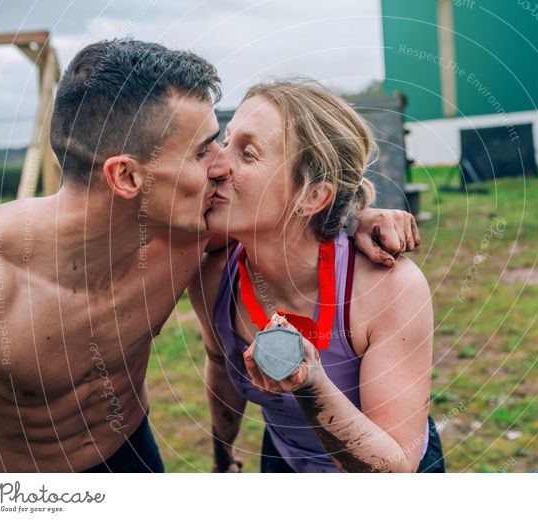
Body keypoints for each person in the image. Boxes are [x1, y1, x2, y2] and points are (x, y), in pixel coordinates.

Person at [0, 39, 419, 472]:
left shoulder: (189, 234)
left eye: (225, 141)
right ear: (127, 178)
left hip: (134, 452)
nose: (222, 165)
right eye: (202, 151)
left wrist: (358, 212)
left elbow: (293, 217)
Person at [189, 81, 444, 472]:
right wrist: (222, 454)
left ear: (312, 197)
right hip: (283, 462)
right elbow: (220, 366)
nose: (218, 165)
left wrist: (311, 385)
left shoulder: (389, 287)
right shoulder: (213, 276)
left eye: (249, 154)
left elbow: (396, 468)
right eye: (226, 143)